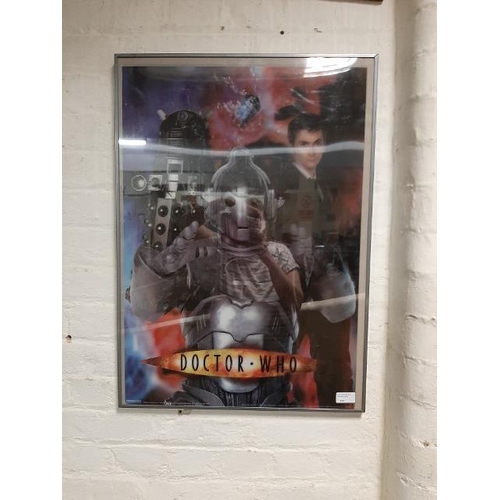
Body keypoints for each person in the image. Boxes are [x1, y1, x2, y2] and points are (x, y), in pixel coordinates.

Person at [128, 148, 304, 407]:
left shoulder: (279, 253)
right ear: (216, 210)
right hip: (201, 400)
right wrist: (164, 267)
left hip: (273, 400)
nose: (242, 216)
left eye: (253, 205)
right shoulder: (198, 253)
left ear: (267, 209)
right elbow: (146, 309)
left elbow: (295, 306)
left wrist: (263, 254)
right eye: (232, 205)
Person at [268, 113, 358, 409]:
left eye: (317, 143)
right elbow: (291, 245)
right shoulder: (288, 185)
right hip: (302, 291)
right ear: (293, 146)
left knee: (334, 369)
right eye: (304, 144)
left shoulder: (320, 183)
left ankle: (340, 409)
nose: (312, 151)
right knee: (285, 364)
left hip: (326, 293)